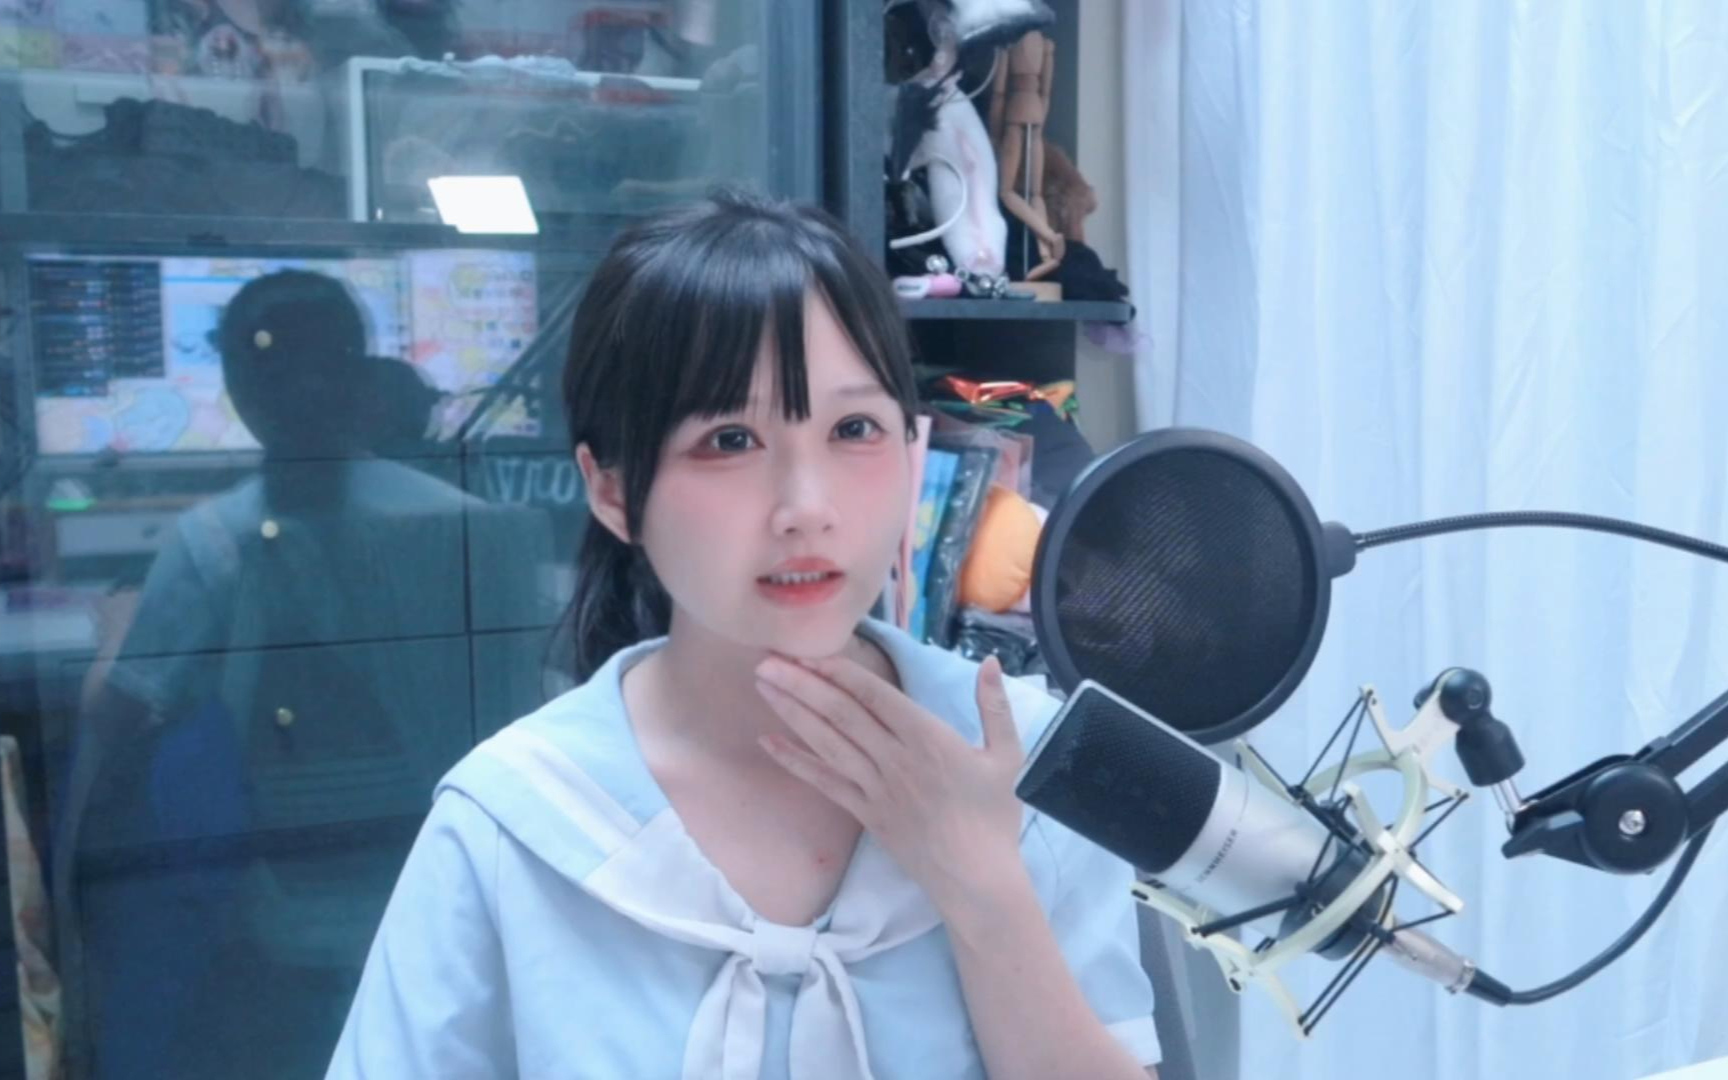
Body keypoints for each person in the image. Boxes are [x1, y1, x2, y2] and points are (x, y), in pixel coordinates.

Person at [326, 190, 1161, 1079]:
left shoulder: (1022, 765)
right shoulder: (513, 822)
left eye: (854, 429)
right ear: (612, 490)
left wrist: (983, 888)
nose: (807, 508)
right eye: (729, 439)